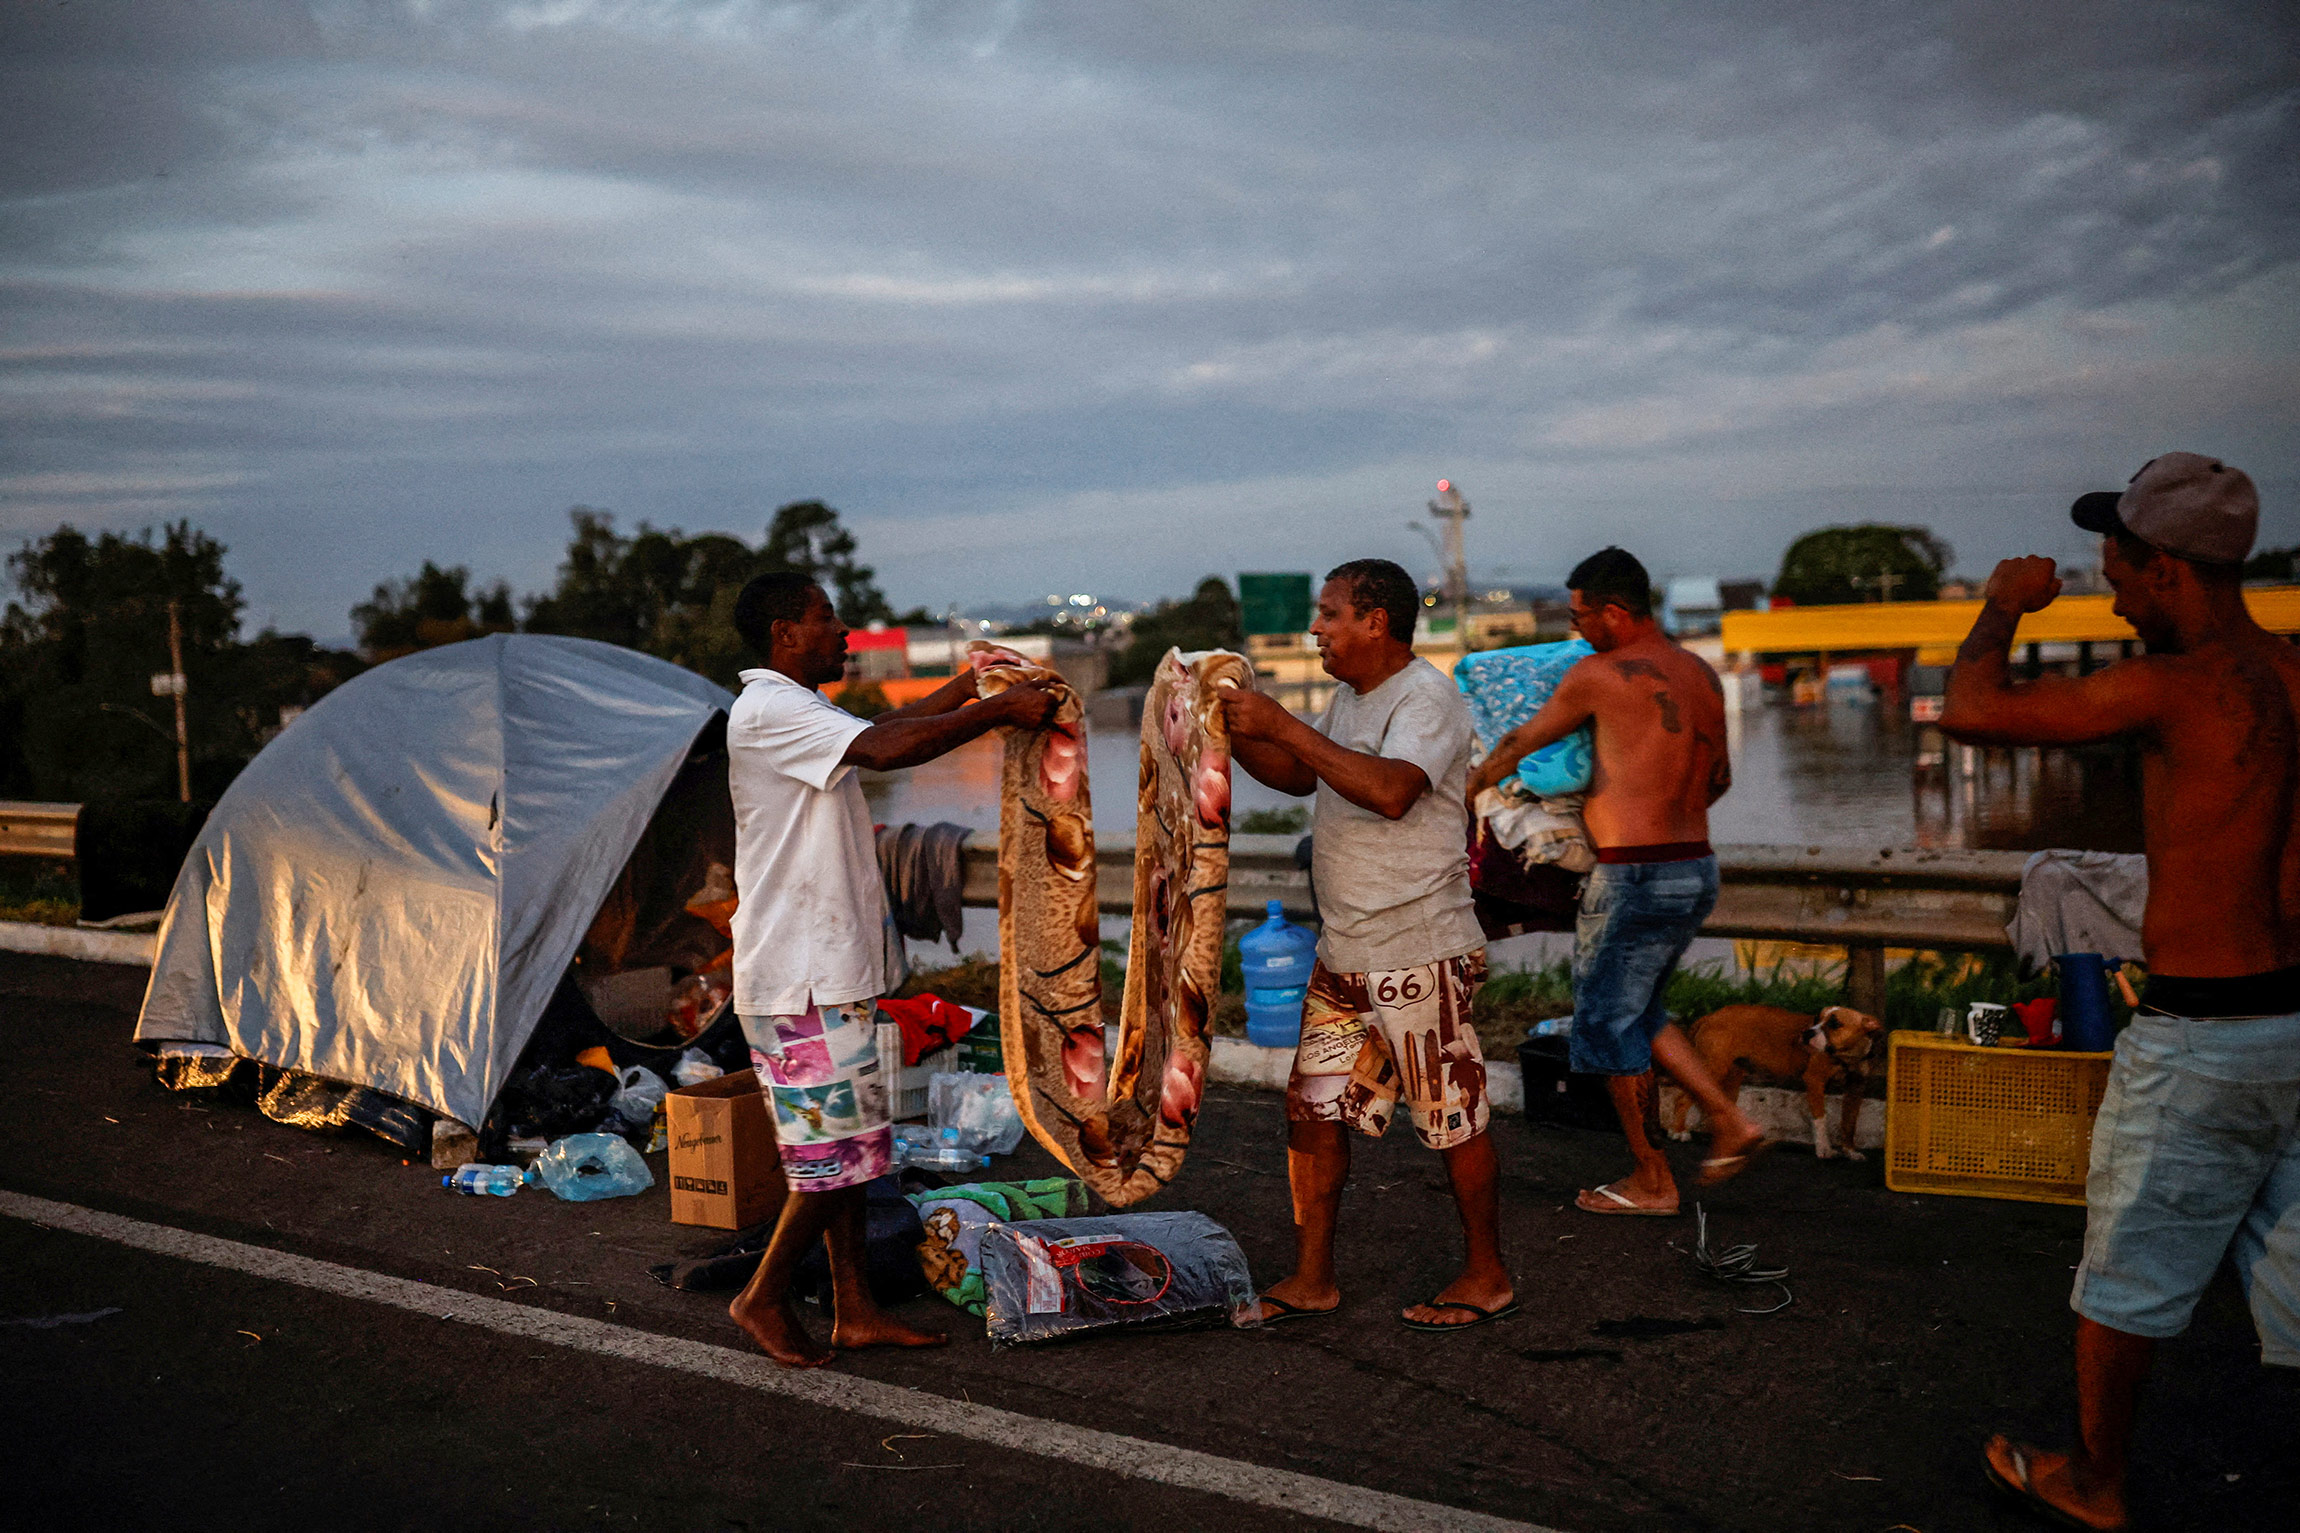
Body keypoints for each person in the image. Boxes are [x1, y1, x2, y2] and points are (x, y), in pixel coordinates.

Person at [1939, 453, 2299, 1532]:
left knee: (2127, 1278)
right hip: (2294, 1016)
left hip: (2205, 1031)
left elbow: (1968, 711)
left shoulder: (2166, 685)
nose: (2107, 594)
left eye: (2118, 573)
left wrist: (1999, 607)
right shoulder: (2289, 670)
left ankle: (2094, 1484)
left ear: (2168, 571)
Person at [722, 572, 1059, 1368]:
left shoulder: (802, 709)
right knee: (835, 1159)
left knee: (852, 1148)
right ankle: (761, 1295)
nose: (842, 630)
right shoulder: (768, 709)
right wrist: (999, 711)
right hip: (797, 976)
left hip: (825, 971)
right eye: (825, 617)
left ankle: (855, 1308)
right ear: (783, 633)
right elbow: (884, 748)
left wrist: (968, 685)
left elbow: (886, 725)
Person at [1222, 558, 1514, 1331]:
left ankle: (1486, 1273)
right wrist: (1234, 729)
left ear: (1375, 621)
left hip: (1420, 943)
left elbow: (1391, 790)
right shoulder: (1347, 698)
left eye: (1329, 613)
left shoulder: (1429, 697)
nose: (1315, 627)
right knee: (1311, 1114)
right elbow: (1298, 776)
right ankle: (1313, 1277)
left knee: (1451, 1118)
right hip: (1345, 949)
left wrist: (1282, 722)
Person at [1465, 547, 1764, 1215]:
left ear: (1615, 612)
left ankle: (1653, 1180)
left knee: (1602, 1025)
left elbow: (1521, 742)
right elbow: (1720, 779)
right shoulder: (1701, 673)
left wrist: (1469, 789)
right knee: (1641, 1009)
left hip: (1633, 875)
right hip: (1695, 867)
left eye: (1580, 617)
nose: (1576, 631)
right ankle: (1730, 1120)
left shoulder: (1599, 674)